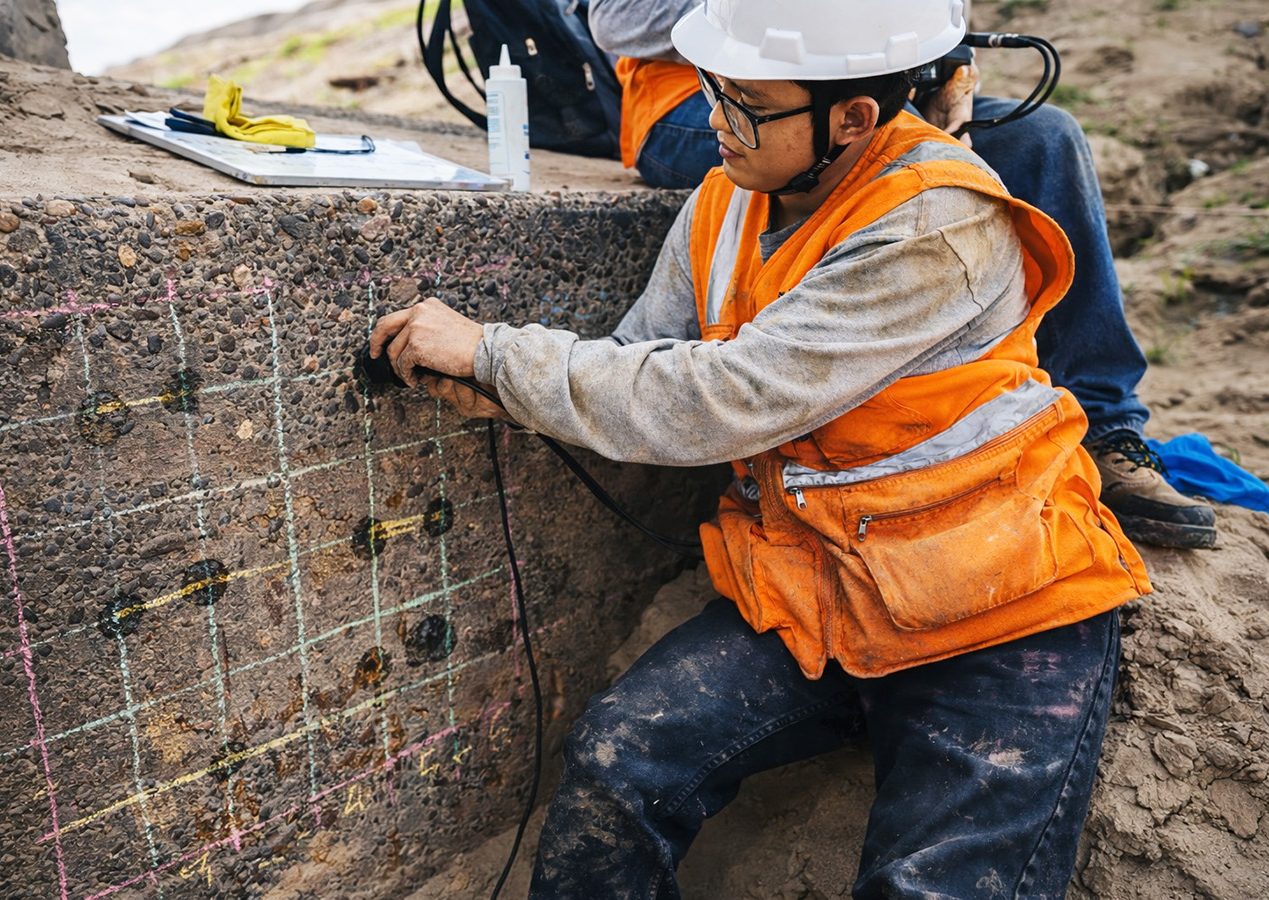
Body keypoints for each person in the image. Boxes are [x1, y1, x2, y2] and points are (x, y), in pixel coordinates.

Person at [371, 2, 1153, 895]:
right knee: (617, 763)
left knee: (935, 883)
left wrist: (495, 352)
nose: (712, 119)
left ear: (852, 118)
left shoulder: (941, 220)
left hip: (999, 599)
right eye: (714, 89)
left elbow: (726, 396)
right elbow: (642, 360)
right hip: (823, 582)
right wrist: (506, 392)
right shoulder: (726, 200)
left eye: (746, 101)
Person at [588, 0, 1218, 550]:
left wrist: (927, 73)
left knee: (1045, 136)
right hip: (704, 98)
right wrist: (798, 21)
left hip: (848, 96)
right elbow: (614, 19)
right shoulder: (727, 115)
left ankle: (1108, 426)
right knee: (772, 145)